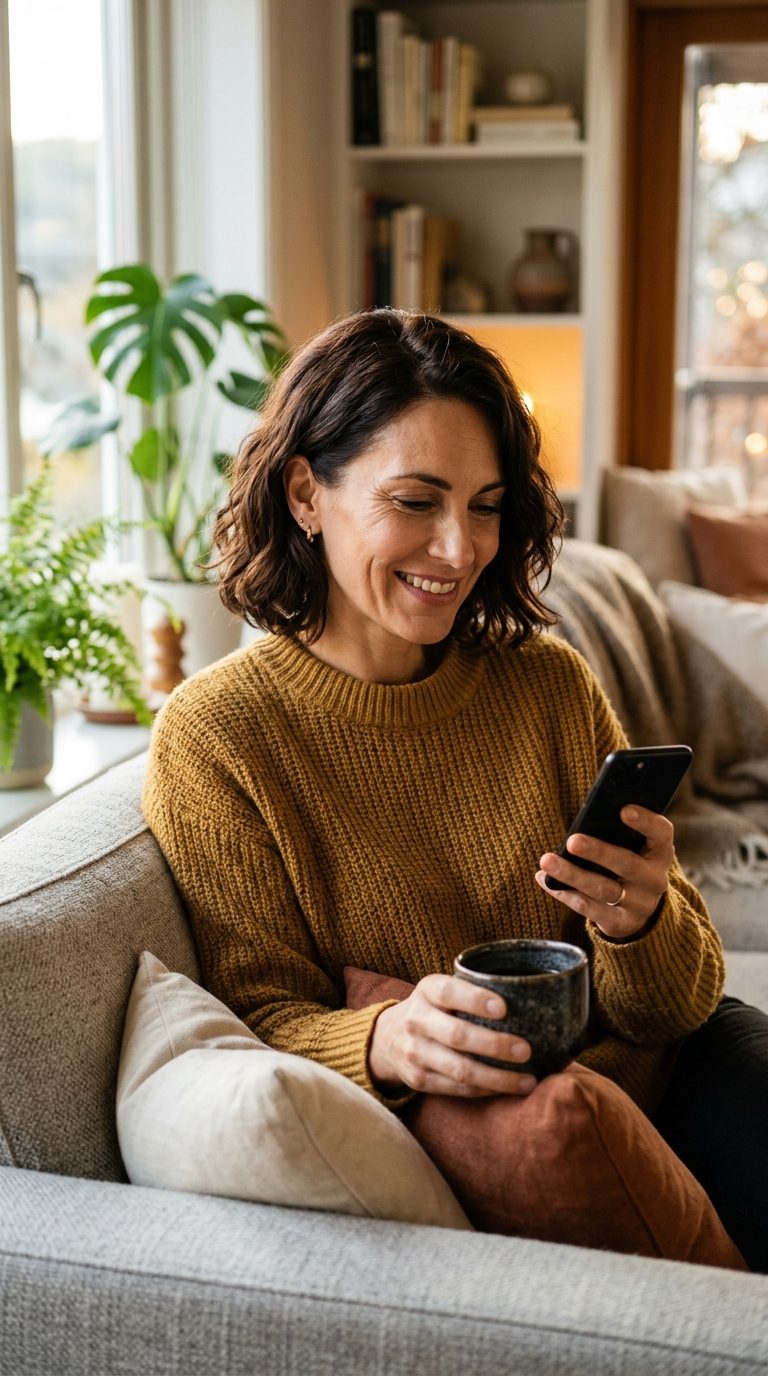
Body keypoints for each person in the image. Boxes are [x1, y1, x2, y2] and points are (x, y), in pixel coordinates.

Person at [143, 308, 768, 1269]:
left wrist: (641, 921)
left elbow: (679, 1004)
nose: (458, 549)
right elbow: (260, 1014)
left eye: (484, 505)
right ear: (307, 493)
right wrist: (386, 1041)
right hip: (535, 1135)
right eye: (416, 500)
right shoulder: (220, 737)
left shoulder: (545, 683)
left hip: (684, 1069)